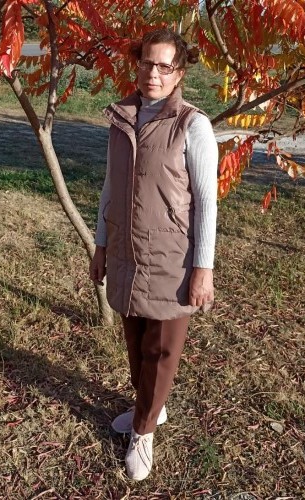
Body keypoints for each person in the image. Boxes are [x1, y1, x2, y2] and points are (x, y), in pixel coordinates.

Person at [89, 28, 218, 481]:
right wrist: (101, 245)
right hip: (126, 252)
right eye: (147, 63)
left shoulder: (192, 125)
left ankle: (143, 432)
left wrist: (203, 269)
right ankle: (150, 407)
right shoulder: (122, 118)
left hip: (171, 260)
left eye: (165, 66)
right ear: (137, 64)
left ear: (179, 73)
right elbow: (109, 188)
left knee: (161, 349)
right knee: (134, 341)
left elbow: (207, 202)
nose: (154, 74)